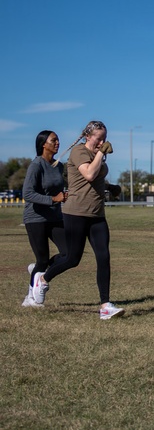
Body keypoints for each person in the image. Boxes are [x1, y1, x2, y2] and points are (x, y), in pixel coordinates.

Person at [31, 121, 125, 319]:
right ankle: (44, 279)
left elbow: (95, 179)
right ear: (87, 137)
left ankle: (105, 306)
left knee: (104, 257)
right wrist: (101, 153)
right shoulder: (78, 152)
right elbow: (89, 174)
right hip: (76, 213)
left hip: (97, 214)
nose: (102, 142)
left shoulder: (98, 153)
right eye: (99, 138)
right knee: (72, 259)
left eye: (104, 138)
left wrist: (110, 187)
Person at [21, 130, 67, 308]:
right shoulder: (36, 165)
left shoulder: (59, 166)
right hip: (35, 218)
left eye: (58, 140)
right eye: (53, 140)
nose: (57, 143)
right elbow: (28, 193)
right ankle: (30, 298)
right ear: (43, 144)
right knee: (42, 259)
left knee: (68, 253)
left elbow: (59, 190)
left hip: (55, 217)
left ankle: (37, 270)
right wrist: (52, 199)